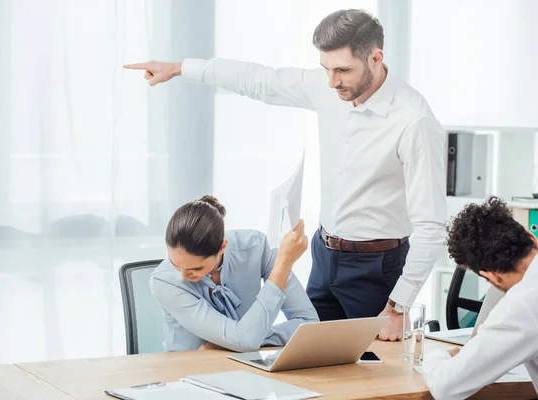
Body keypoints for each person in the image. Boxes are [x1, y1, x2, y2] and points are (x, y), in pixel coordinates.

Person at [128, 9, 447, 341]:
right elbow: (260, 80)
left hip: (376, 265)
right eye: (326, 69)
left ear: (376, 57)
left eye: (343, 70)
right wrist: (182, 68)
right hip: (325, 255)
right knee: (309, 357)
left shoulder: (414, 121)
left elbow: (431, 225)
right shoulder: (328, 86)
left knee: (374, 371)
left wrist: (399, 306)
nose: (332, 81)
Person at [150, 195, 319, 352]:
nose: (183, 276)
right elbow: (245, 340)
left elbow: (309, 324)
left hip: (247, 366)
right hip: (189, 371)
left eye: (196, 268)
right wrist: (283, 264)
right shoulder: (164, 282)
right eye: (176, 265)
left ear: (222, 247)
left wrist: (237, 341)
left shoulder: (257, 247)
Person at [423, 197, 538, 399]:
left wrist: (436, 356)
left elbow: (445, 387)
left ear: (489, 276)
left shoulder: (523, 302)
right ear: (532, 237)